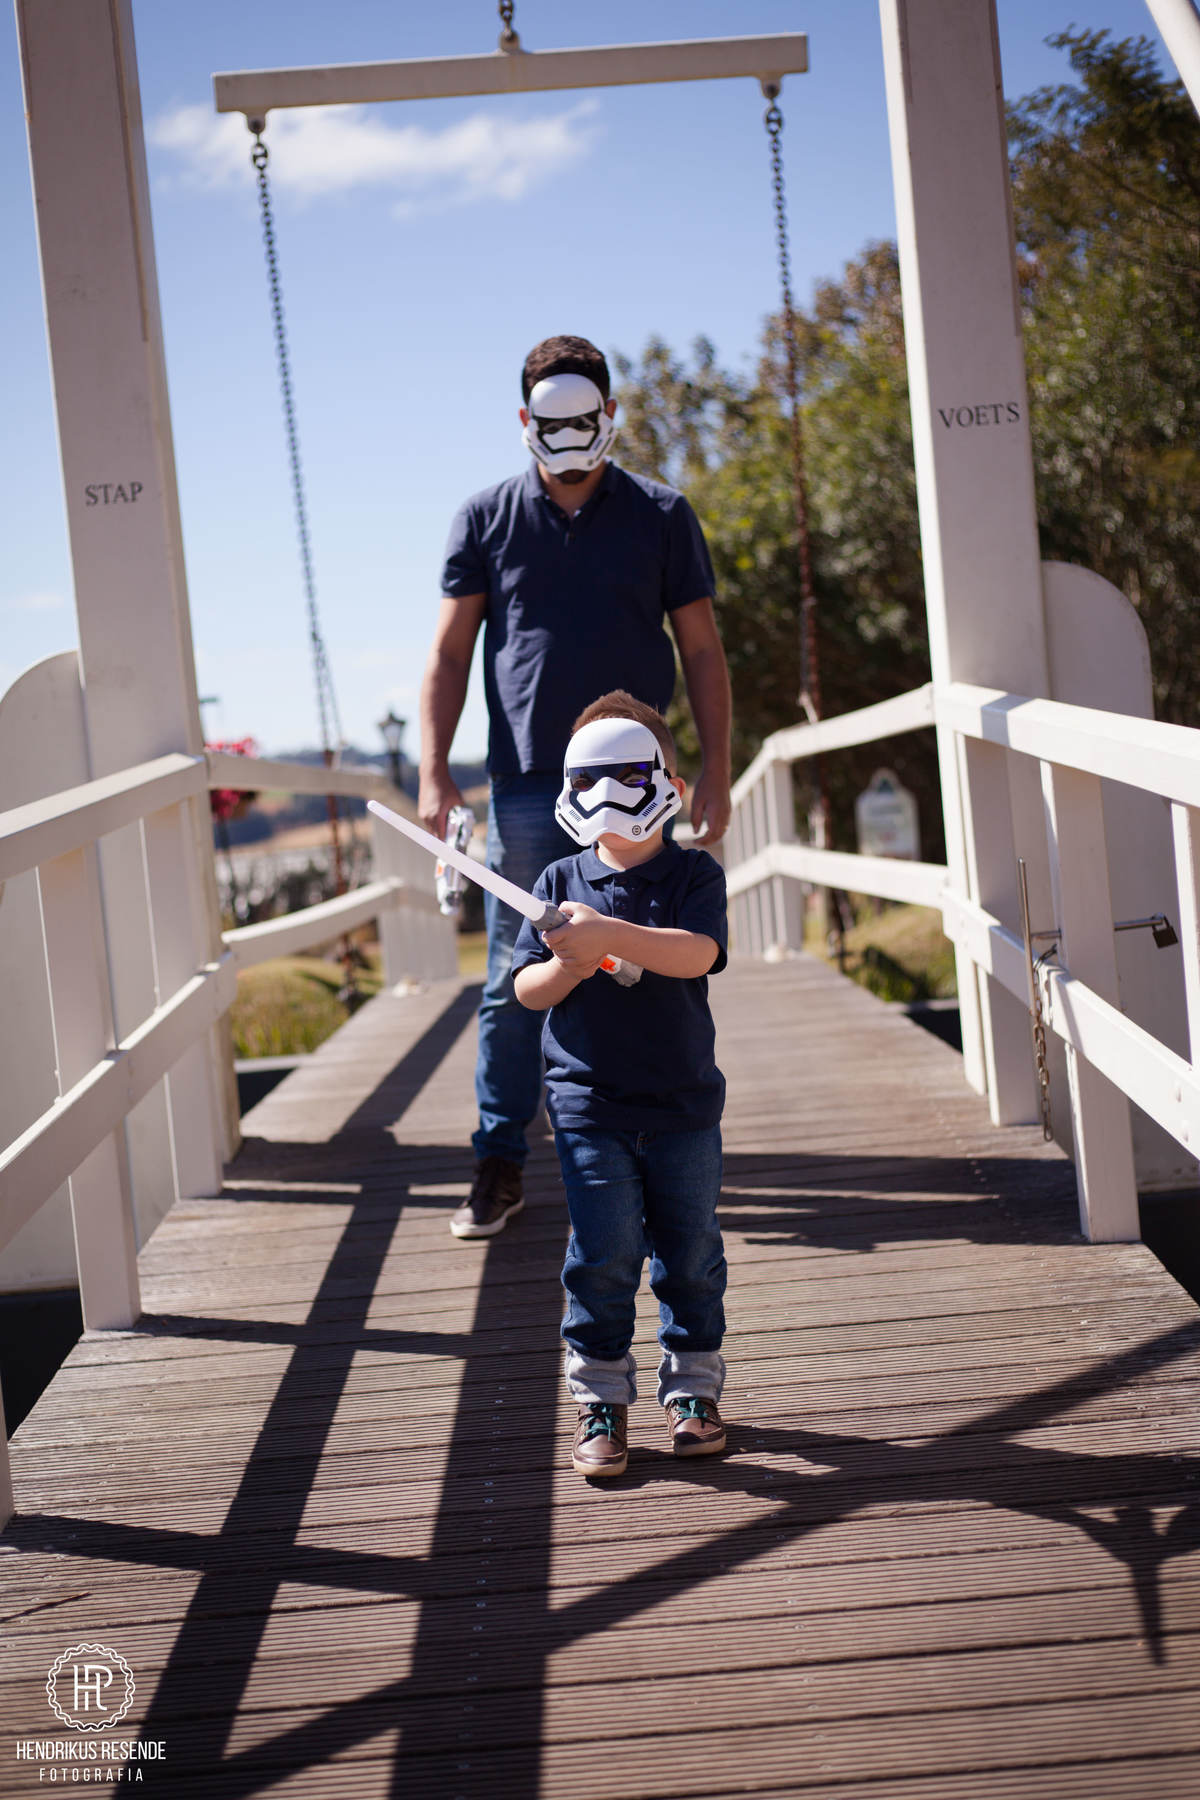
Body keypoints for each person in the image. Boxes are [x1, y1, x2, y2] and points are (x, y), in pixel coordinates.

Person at [418, 334, 732, 1241]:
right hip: (523, 784)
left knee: (650, 948)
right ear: (525, 422)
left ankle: (657, 1141)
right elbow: (448, 651)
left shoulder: (664, 514)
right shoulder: (484, 518)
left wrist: (713, 765)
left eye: (583, 418)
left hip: (641, 783)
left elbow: (702, 648)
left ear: (610, 416)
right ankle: (500, 1160)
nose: (567, 435)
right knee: (520, 972)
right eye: (548, 420)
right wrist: (436, 772)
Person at [511, 692, 729, 1478]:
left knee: (691, 1251)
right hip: (587, 1106)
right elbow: (525, 991)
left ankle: (694, 1392)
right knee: (602, 1253)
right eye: (590, 777)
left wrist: (608, 935)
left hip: (683, 1103)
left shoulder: (694, 875)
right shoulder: (556, 879)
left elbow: (696, 953)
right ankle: (600, 1398)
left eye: (628, 774)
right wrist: (567, 963)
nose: (609, 795)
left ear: (664, 777)